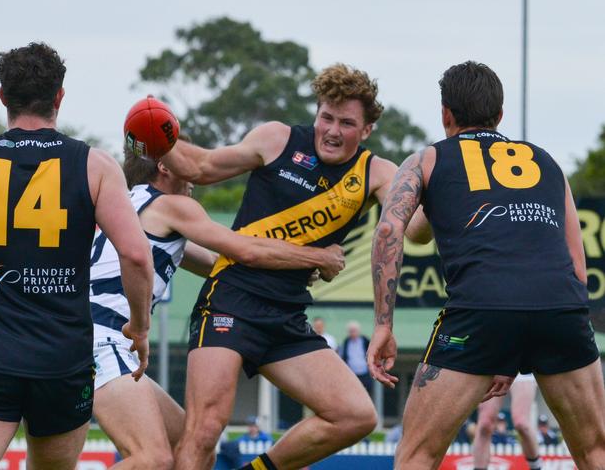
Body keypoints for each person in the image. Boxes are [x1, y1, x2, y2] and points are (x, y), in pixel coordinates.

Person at [151, 63, 427, 470]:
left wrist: (442, 193)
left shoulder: (377, 173)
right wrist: (153, 134)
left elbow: (414, 231)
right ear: (316, 112)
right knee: (205, 429)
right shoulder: (277, 138)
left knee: (356, 415)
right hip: (232, 300)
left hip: (286, 315)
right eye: (326, 117)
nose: (332, 131)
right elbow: (201, 167)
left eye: (346, 123)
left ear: (367, 130)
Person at [368, 60, 605, 469]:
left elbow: (391, 232)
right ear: (500, 115)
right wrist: (522, 341)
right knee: (594, 451)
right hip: (561, 309)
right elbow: (577, 269)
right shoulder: (547, 163)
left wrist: (384, 327)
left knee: (417, 455)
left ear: (445, 114)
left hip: (480, 312)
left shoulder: (427, 159)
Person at [0, 42, 153, 470]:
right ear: (59, 96)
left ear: (3, 96)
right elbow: (137, 256)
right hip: (62, 361)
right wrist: (139, 326)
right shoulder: (96, 166)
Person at [91, 146, 345, 469]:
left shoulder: (129, 202)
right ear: (165, 167)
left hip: (95, 337)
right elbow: (243, 250)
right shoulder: (172, 206)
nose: (194, 173)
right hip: (102, 337)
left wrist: (290, 266)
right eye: (184, 159)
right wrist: (317, 257)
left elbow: (218, 264)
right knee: (153, 459)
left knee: (194, 446)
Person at [473, 374, 542, 470]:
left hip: (521, 368)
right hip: (494, 366)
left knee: (521, 423)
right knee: (485, 423)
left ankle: (536, 467)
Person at [340, 321, 372, 394]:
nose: (353, 333)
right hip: (352, 373)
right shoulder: (346, 342)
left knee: (366, 393)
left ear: (359, 331)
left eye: (354, 331)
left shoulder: (365, 340)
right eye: (351, 331)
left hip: (364, 373)